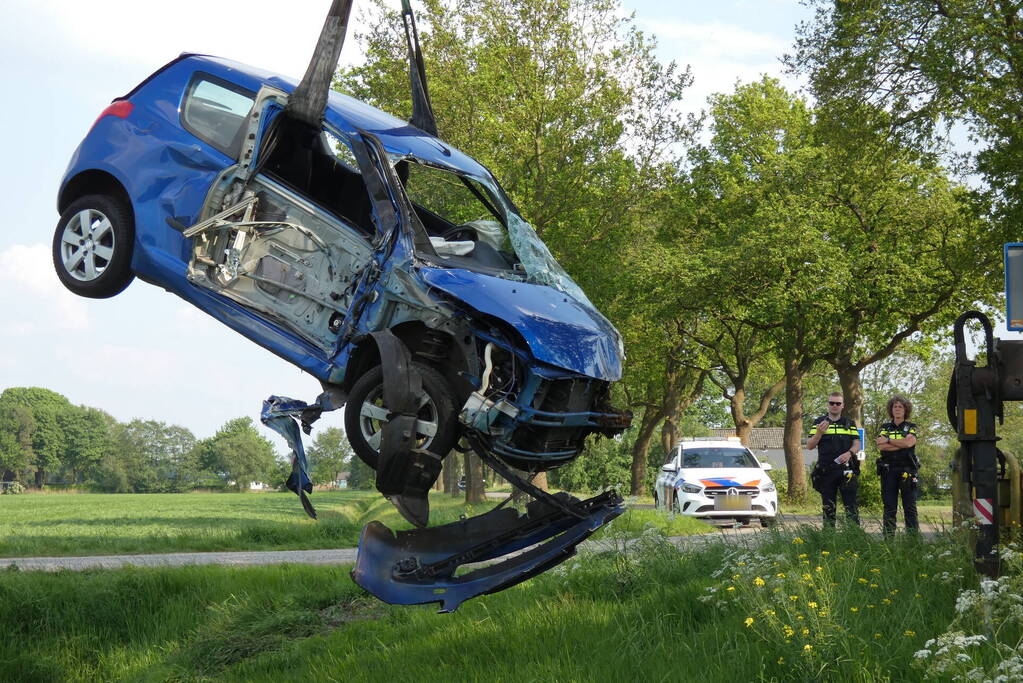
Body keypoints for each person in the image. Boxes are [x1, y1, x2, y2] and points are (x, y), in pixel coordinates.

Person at [806, 392, 862, 528]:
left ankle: (855, 539)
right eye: (832, 403)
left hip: (846, 470)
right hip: (826, 471)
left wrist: (849, 453)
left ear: (843, 406)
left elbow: (857, 443)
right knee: (828, 508)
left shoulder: (849, 423)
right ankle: (829, 541)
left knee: (851, 507)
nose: (835, 406)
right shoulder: (818, 422)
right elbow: (809, 446)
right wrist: (819, 433)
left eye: (838, 403)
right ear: (827, 405)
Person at [875, 395, 920, 537]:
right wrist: (901, 444)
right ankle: (889, 540)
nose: (898, 409)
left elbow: (909, 443)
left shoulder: (911, 427)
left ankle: (912, 541)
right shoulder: (885, 427)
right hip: (888, 470)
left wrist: (889, 440)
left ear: (906, 409)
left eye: (901, 406)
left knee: (910, 507)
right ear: (891, 409)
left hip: (908, 469)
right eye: (895, 406)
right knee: (889, 507)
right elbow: (881, 447)